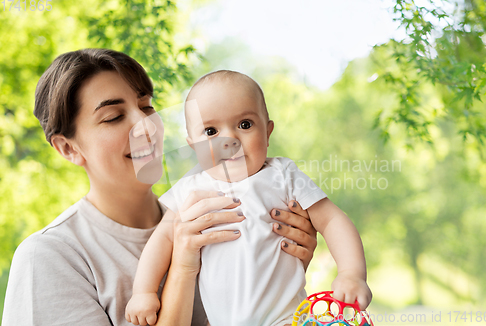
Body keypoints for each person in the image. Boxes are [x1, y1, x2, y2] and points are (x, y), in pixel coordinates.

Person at [1, 49, 318, 326]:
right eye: (113, 117)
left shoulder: (220, 209)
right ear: (68, 148)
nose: (145, 125)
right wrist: (181, 267)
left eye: (147, 107)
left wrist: (287, 264)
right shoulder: (49, 258)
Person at [126, 71, 372, 326]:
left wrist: (352, 273)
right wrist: (143, 291)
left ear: (268, 132)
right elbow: (162, 239)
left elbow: (332, 220)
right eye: (211, 130)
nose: (230, 139)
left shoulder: (282, 175)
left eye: (245, 125)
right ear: (193, 146)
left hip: (287, 319)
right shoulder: (190, 190)